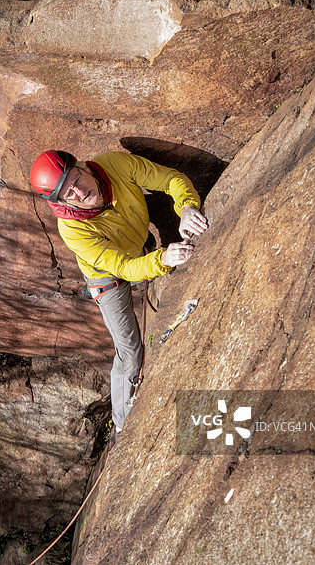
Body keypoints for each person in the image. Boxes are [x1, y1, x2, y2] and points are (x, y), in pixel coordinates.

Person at [29, 150, 208, 434]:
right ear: (60, 202)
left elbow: (170, 179)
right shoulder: (73, 228)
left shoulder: (115, 165)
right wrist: (161, 260)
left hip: (135, 250)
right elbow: (123, 268)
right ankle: (123, 425)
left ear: (82, 166)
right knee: (131, 354)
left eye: (75, 177)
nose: (78, 190)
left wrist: (186, 207)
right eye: (68, 193)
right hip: (107, 278)